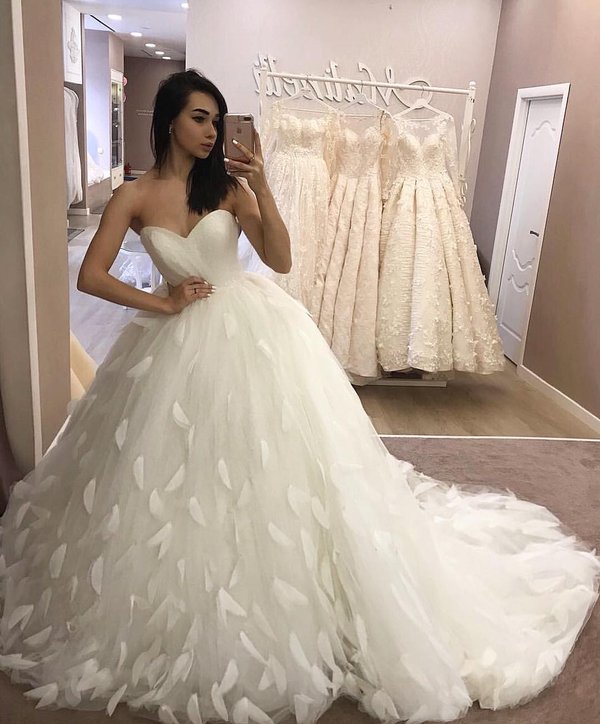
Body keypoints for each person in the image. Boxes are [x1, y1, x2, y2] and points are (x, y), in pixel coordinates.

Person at [0, 70, 598, 724]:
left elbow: (280, 259)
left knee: (278, 461)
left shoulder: (228, 189)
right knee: (168, 466)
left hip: (252, 329)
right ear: (169, 119)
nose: (212, 131)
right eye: (200, 118)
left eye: (217, 120)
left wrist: (262, 186)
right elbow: (91, 275)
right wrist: (162, 302)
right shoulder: (134, 195)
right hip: (171, 341)